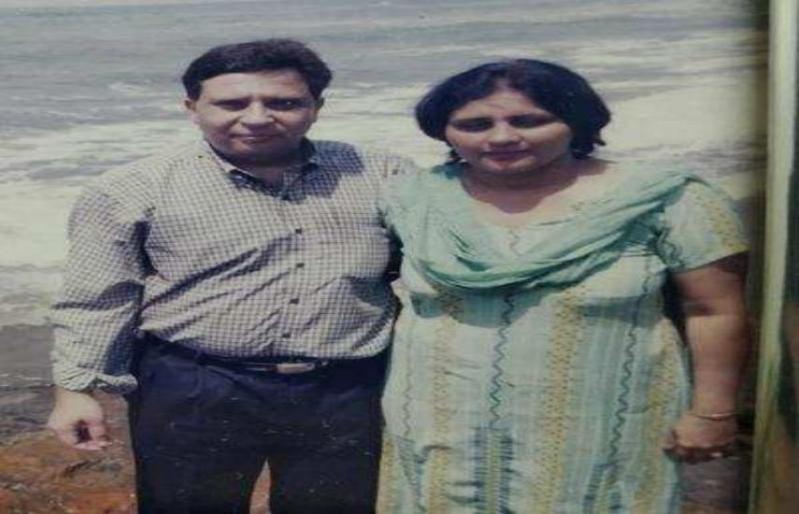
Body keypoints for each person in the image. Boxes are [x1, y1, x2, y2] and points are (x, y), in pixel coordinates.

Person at [46, 39, 413, 514]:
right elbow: (99, 297)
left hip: (344, 388)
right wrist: (75, 391)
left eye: (283, 103)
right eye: (232, 103)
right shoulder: (130, 188)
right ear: (192, 108)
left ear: (317, 107)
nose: (257, 117)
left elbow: (430, 271)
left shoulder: (382, 174)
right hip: (194, 385)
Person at [376, 59, 750, 513]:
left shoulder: (666, 199)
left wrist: (712, 413)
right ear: (444, 131)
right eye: (474, 124)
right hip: (440, 421)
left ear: (577, 121)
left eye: (529, 121)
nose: (501, 137)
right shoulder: (412, 199)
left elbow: (715, 310)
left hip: (601, 423)